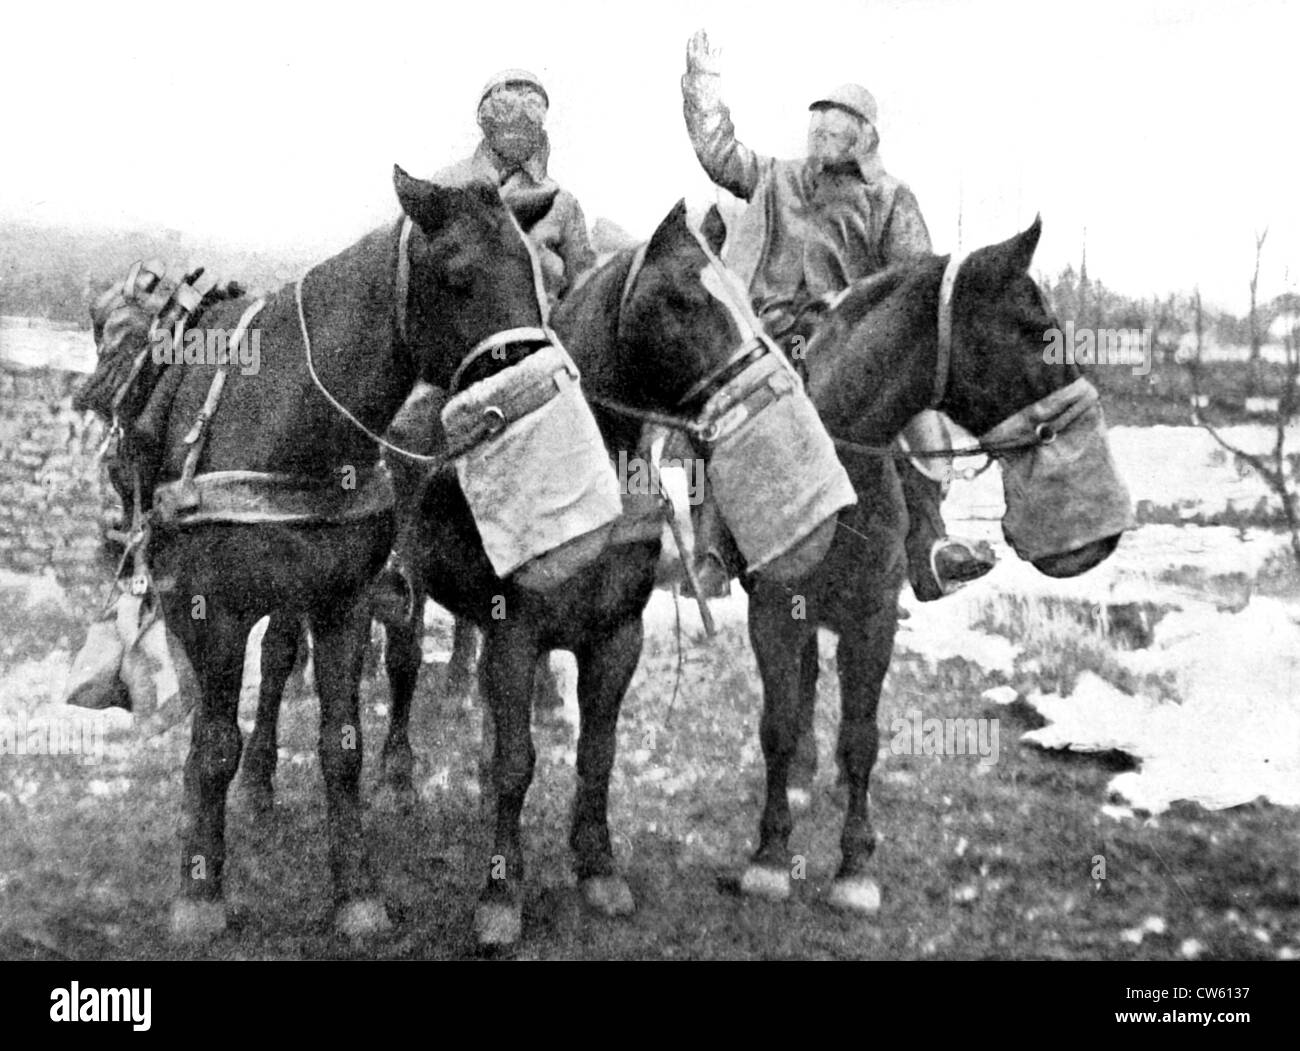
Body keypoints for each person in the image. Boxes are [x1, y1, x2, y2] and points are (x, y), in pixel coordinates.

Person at [680, 29, 994, 601]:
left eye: (835, 125)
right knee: (716, 411)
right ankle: (713, 553)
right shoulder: (775, 176)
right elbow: (718, 154)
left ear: (864, 136)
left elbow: (914, 283)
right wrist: (702, 85)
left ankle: (929, 550)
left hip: (848, 335)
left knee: (907, 413)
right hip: (768, 331)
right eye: (816, 123)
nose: (821, 133)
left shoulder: (890, 199)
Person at [374, 68, 596, 621]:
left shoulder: (560, 205)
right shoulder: (445, 187)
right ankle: (398, 567)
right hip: (456, 363)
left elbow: (583, 285)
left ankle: (550, 603)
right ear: (487, 122)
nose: (519, 130)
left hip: (531, 364)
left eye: (531, 118)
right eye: (508, 115)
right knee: (405, 435)